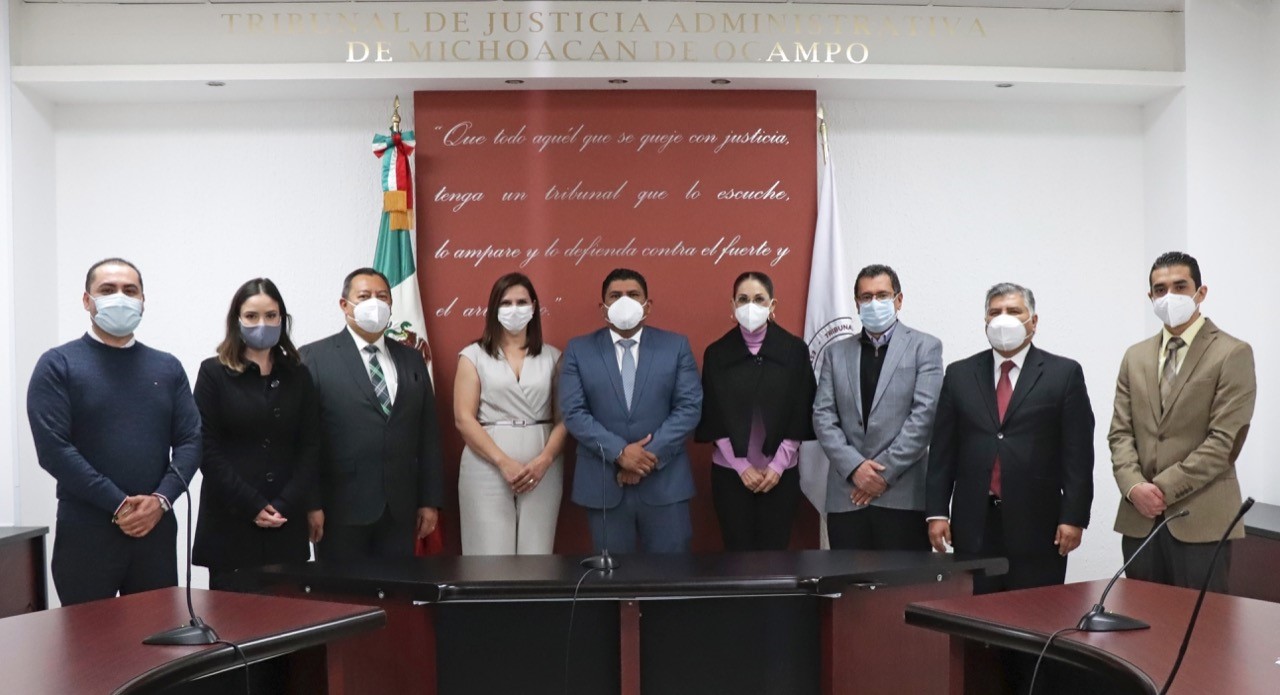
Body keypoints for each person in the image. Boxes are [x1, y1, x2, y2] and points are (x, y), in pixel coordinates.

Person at [27, 258, 201, 605]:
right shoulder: (58, 365)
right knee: (87, 636)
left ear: (143, 301)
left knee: (158, 634)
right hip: (86, 531)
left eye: (129, 290)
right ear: (87, 300)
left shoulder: (167, 368)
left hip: (155, 530)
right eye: (107, 290)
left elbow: (191, 439)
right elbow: (53, 449)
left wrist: (161, 500)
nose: (120, 297)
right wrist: (118, 503)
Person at [926, 282, 1094, 595]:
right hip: (974, 524)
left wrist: (1074, 517)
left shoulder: (1064, 373)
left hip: (1039, 527)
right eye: (995, 312)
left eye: (1014, 311)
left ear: (1033, 321)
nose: (1003, 319)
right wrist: (937, 512)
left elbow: (1078, 454)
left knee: (1035, 613)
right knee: (975, 616)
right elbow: (942, 451)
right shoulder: (959, 374)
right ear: (985, 322)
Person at [1110, 252, 1256, 592]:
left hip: (1201, 520)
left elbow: (1224, 442)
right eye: (1160, 290)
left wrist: (1162, 488)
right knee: (1140, 620)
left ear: (1200, 292)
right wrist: (1134, 487)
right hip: (1140, 519)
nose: (1169, 296)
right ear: (1150, 297)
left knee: (1200, 622)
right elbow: (1120, 434)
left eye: (1180, 287)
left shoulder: (1232, 352)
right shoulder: (1135, 356)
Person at [300, 268, 445, 561]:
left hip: (400, 509)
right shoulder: (314, 357)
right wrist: (311, 504)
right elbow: (306, 440)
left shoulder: (412, 358)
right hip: (339, 510)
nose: (374, 303)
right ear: (345, 305)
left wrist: (429, 500)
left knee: (396, 589)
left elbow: (428, 434)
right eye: (364, 296)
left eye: (381, 297)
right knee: (343, 590)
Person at [559, 268, 702, 553]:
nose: (624, 301)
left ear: (647, 305)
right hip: (604, 485)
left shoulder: (676, 346)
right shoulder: (578, 350)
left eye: (633, 295)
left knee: (670, 574)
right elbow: (573, 412)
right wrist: (621, 454)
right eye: (615, 296)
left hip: (665, 484)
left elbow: (689, 407)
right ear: (603, 307)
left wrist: (644, 459)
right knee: (612, 575)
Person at [191, 278, 319, 589]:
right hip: (231, 522)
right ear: (237, 320)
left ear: (282, 319)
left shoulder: (298, 374)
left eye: (271, 315)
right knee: (233, 616)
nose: (262, 324)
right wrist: (252, 505)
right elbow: (206, 448)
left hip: (285, 522)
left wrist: (284, 503)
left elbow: (311, 446)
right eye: (251, 316)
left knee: (289, 614)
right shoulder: (213, 373)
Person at [813, 264, 943, 551]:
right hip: (847, 497)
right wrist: (855, 468)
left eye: (882, 295)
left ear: (899, 300)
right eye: (866, 297)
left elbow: (924, 417)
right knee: (848, 580)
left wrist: (882, 474)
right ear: (857, 304)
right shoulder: (835, 353)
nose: (874, 303)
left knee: (903, 580)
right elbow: (823, 416)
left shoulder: (925, 347)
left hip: (902, 498)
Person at [695, 271, 815, 550]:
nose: (751, 306)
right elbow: (713, 415)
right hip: (731, 474)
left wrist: (778, 465)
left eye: (759, 299)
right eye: (743, 299)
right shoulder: (717, 354)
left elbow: (800, 410)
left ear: (772, 305)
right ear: (733, 305)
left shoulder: (794, 351)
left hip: (780, 475)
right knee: (737, 556)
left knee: (775, 556)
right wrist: (742, 467)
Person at [454, 273, 567, 555]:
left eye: (521, 302)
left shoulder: (554, 357)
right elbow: (464, 419)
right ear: (494, 308)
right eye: (506, 303)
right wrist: (503, 462)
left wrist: (544, 460)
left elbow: (564, 419)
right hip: (485, 466)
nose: (514, 309)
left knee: (537, 554)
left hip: (543, 468)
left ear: (534, 307)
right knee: (487, 556)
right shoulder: (473, 355)